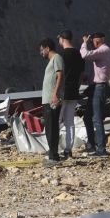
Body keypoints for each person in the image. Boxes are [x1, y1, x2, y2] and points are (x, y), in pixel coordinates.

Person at [80, 31, 110, 157]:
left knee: (97, 118)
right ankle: (91, 145)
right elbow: (99, 71)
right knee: (88, 117)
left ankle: (102, 148)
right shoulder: (103, 52)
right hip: (95, 87)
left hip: (100, 88)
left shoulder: (103, 50)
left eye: (92, 42)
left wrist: (84, 43)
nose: (92, 44)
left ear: (96, 41)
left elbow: (84, 54)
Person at [57, 30, 85, 159]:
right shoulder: (79, 54)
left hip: (62, 92)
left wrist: (55, 92)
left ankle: (54, 148)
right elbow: (81, 74)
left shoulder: (61, 55)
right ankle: (68, 150)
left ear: (62, 39)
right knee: (70, 122)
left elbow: (58, 75)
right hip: (73, 92)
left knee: (57, 121)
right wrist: (77, 87)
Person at [39, 38, 65, 167]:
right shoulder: (52, 61)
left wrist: (55, 95)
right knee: (49, 128)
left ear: (47, 48)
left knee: (52, 128)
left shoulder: (57, 58)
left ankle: (54, 157)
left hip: (52, 100)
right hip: (48, 100)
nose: (41, 53)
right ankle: (52, 153)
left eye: (42, 50)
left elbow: (60, 76)